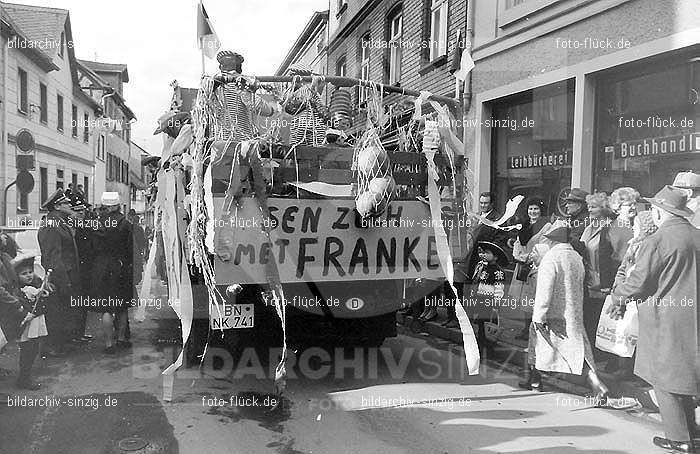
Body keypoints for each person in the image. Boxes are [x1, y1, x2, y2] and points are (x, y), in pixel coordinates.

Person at [609, 186, 699, 453]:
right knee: (685, 375)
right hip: (692, 315)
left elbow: (638, 282)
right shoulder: (696, 235)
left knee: (664, 379)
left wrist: (617, 297)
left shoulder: (657, 240)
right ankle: (691, 431)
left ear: (661, 212)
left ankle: (679, 439)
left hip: (664, 318)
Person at [524, 225, 610, 403]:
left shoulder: (551, 258)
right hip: (574, 312)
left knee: (539, 344)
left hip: (553, 314)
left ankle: (534, 381)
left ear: (553, 240)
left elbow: (544, 290)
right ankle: (597, 385)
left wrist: (539, 315)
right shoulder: (576, 257)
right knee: (578, 352)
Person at [580, 192, 633, 354]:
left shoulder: (614, 227)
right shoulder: (591, 226)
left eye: (593, 207)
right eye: (588, 206)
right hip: (590, 282)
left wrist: (610, 283)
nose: (589, 209)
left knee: (605, 322)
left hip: (605, 284)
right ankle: (595, 353)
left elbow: (618, 258)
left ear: (603, 209)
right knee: (591, 320)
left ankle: (604, 355)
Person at [37, 189, 80, 357]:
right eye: (65, 203)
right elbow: (53, 257)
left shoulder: (60, 221)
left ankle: (59, 345)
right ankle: (52, 347)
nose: (69, 205)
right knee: (55, 313)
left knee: (62, 312)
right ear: (57, 206)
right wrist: (64, 281)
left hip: (66, 275)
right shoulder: (51, 224)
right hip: (59, 277)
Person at [90, 192, 134, 354]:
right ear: (117, 205)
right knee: (122, 307)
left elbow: (92, 248)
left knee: (106, 308)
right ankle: (121, 339)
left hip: (101, 267)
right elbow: (130, 249)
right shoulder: (126, 224)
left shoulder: (96, 223)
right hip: (119, 267)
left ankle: (109, 344)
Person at [509, 198, 552, 339]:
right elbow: (517, 242)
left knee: (532, 298)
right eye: (530, 209)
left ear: (541, 211)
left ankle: (533, 328)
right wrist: (517, 254)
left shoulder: (546, 226)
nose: (532, 212)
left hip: (535, 267)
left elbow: (542, 247)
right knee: (523, 298)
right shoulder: (524, 225)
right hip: (522, 265)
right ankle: (525, 327)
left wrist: (525, 257)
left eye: (536, 209)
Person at [11, 253, 50, 390]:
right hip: (27, 324)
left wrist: (43, 293)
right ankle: (24, 378)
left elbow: (44, 295)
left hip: (36, 321)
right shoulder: (16, 291)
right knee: (27, 350)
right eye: (23, 274)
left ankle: (25, 376)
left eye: (30, 272)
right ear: (16, 276)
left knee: (33, 349)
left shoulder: (36, 283)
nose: (28, 275)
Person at [465, 240, 508, 358]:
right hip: (480, 299)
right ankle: (480, 346)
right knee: (480, 325)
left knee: (489, 327)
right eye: (484, 252)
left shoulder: (498, 272)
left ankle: (489, 350)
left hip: (490, 302)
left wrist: (496, 304)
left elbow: (499, 289)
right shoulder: (482, 268)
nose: (484, 255)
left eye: (487, 253)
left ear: (496, 257)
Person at [561, 188, 590, 256]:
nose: (566, 206)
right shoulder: (573, 219)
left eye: (569, 203)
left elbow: (573, 242)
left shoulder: (583, 222)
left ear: (579, 206)